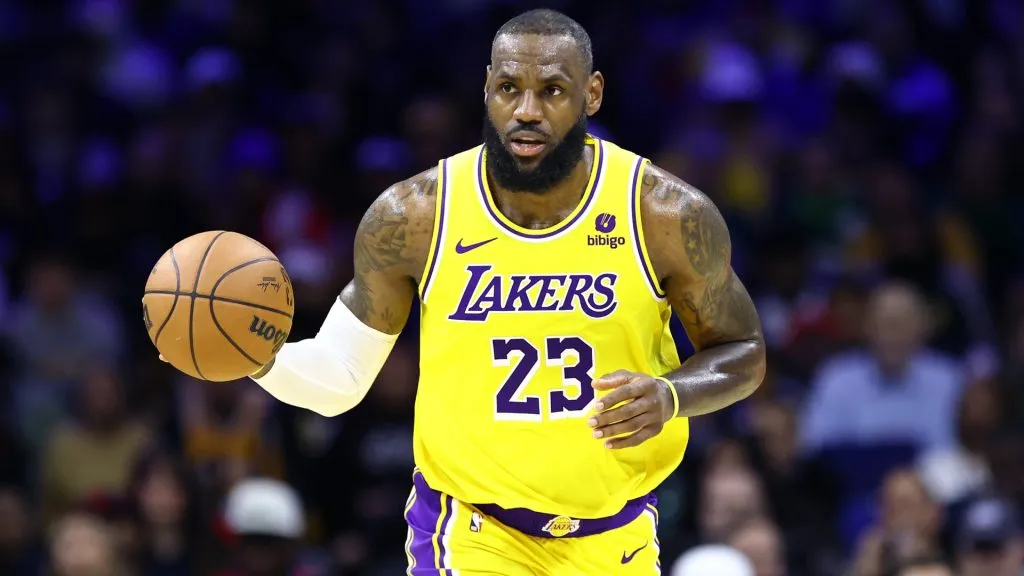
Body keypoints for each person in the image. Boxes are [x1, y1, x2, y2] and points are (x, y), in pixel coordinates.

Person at [228, 9, 764, 574]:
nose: (527, 111)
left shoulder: (663, 214)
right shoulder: (415, 215)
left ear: (592, 93)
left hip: (617, 533)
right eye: (509, 88)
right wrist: (251, 356)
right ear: (487, 89)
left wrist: (670, 395)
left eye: (552, 90)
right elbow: (341, 377)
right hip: (472, 531)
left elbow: (744, 351)